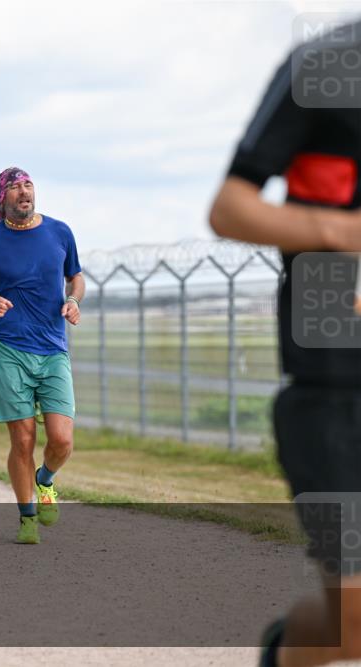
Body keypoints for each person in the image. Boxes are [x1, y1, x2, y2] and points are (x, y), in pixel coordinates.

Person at [207, 21, 361, 667]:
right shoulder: (326, 66)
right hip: (335, 390)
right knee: (353, 626)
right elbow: (230, 207)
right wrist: (341, 230)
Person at [0, 166, 84, 545]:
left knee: (62, 441)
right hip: (8, 347)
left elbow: (75, 276)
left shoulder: (59, 232)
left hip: (52, 348)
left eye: (28, 185)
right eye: (14, 188)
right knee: (23, 439)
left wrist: (74, 300)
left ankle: (45, 479)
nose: (23, 192)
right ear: (2, 198)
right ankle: (27, 514)